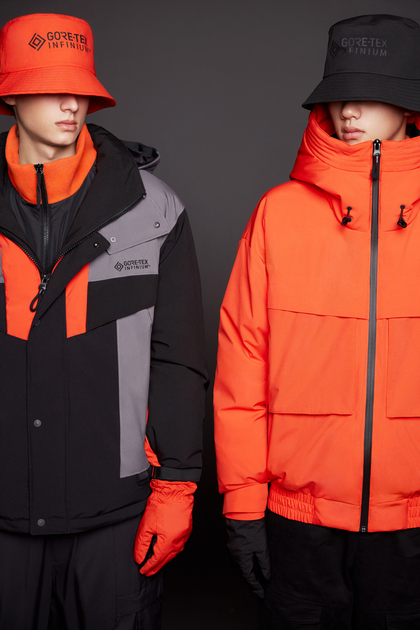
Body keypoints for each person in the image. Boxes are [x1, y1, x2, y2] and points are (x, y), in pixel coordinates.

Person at [0, 12, 207, 630]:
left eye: (81, 89)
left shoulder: (155, 210)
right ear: (10, 96)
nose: (72, 104)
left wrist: (176, 489)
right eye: (51, 88)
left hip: (115, 517)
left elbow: (177, 360)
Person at [214, 13, 420, 629]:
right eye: (337, 95)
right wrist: (243, 509)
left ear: (408, 106)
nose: (347, 110)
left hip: (412, 527)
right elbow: (241, 370)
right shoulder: (278, 214)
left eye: (369, 94)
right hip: (299, 526)